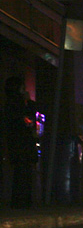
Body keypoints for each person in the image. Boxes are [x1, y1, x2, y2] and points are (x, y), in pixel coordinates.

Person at [3, 76, 39, 209]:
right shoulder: (19, 105)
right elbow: (27, 117)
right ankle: (23, 202)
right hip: (22, 145)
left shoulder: (10, 105)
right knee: (23, 173)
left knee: (20, 173)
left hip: (17, 145)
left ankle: (19, 201)